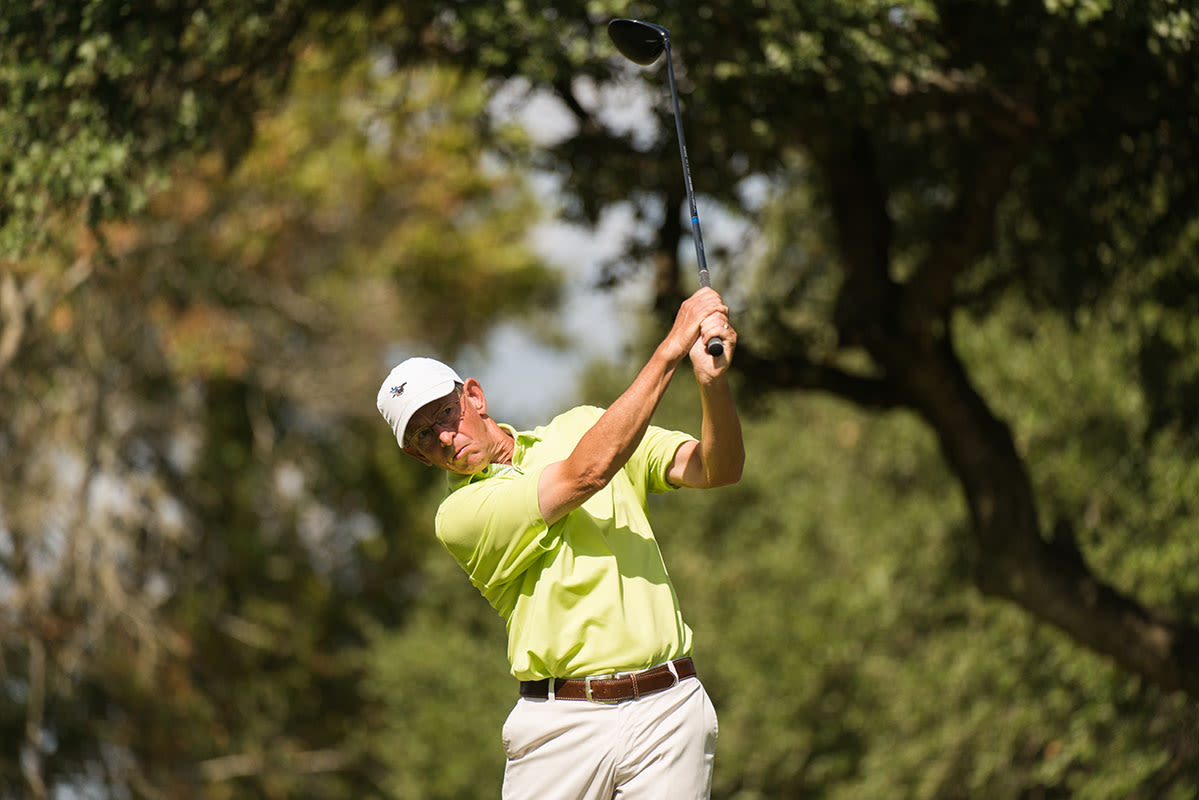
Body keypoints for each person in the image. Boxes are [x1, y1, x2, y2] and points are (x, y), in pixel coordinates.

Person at [376, 287, 744, 800]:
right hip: (561, 726)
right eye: (421, 435)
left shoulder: (583, 425)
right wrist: (671, 350)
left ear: (474, 397)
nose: (442, 436)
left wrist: (712, 387)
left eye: (442, 414)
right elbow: (584, 476)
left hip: (669, 707)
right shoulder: (458, 517)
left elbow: (717, 468)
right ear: (418, 457)